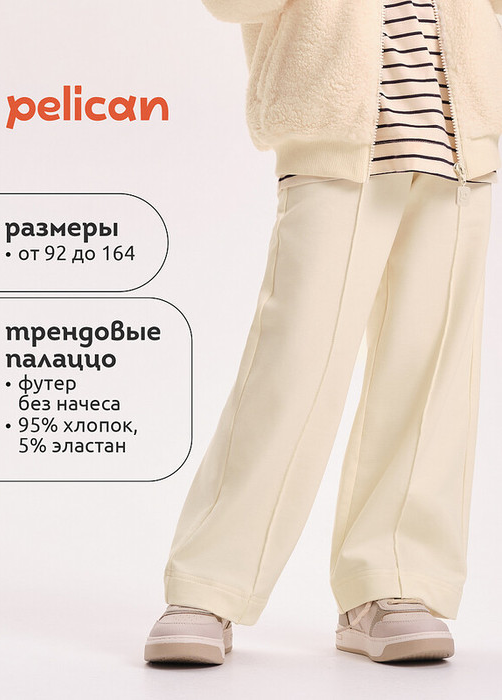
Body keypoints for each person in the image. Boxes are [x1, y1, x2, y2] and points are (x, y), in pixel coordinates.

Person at [144, 0, 502, 664]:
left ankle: (394, 581)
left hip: (461, 137)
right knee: (292, 368)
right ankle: (208, 585)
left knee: (430, 378)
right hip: (333, 131)